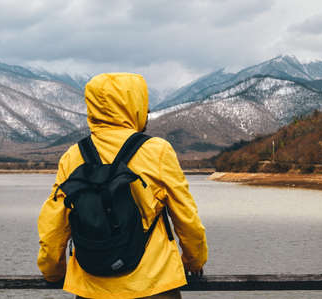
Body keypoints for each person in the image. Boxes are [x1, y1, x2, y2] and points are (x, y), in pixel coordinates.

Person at [38, 73, 208, 298]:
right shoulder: (158, 151)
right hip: (153, 285)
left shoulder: (73, 156)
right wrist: (193, 261)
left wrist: (53, 271)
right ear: (134, 107)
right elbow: (186, 218)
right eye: (143, 105)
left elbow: (54, 226)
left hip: (91, 288)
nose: (146, 113)